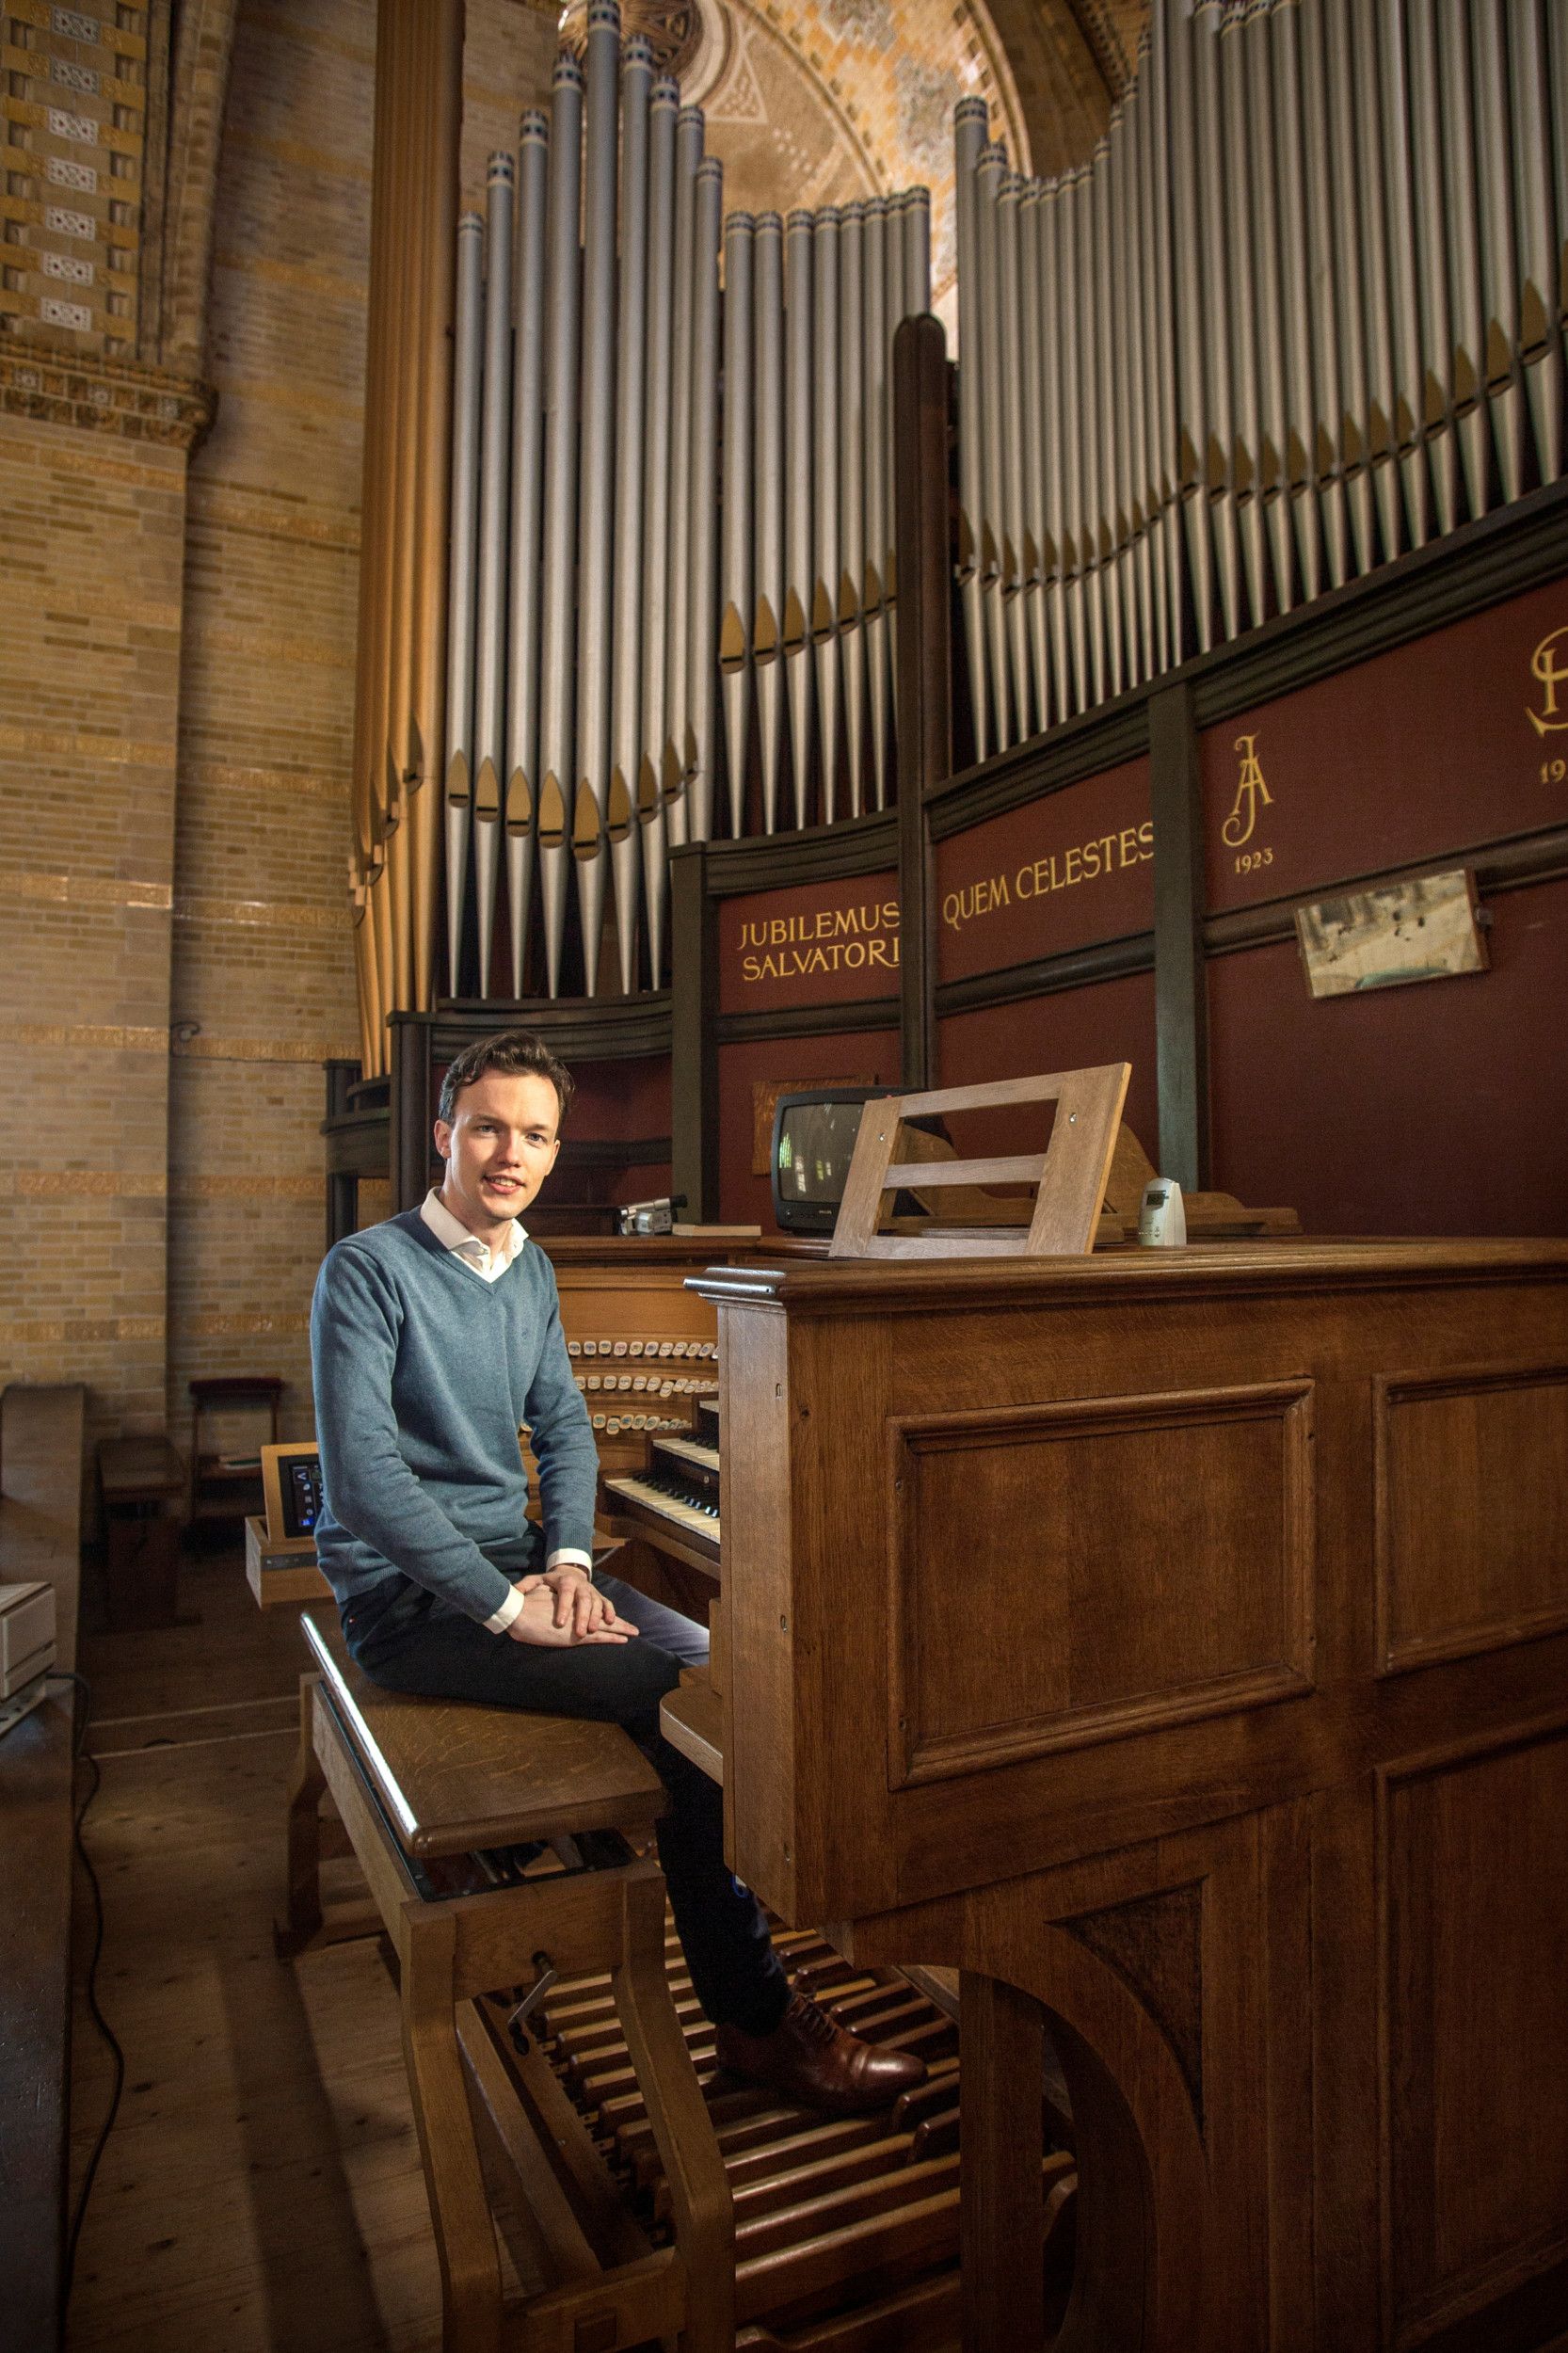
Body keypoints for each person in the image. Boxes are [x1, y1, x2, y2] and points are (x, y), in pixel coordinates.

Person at [309, 1029, 924, 2116]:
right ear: (445, 1135)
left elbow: (565, 1426)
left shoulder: (529, 1264)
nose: (512, 1152)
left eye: (536, 1134)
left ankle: (775, 1947)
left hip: (520, 1571)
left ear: (553, 1151)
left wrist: (572, 1560)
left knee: (708, 1670)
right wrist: (508, 1607)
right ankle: (754, 2020)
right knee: (685, 1710)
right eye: (491, 1127)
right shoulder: (366, 1271)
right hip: (406, 1604)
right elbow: (361, 1483)